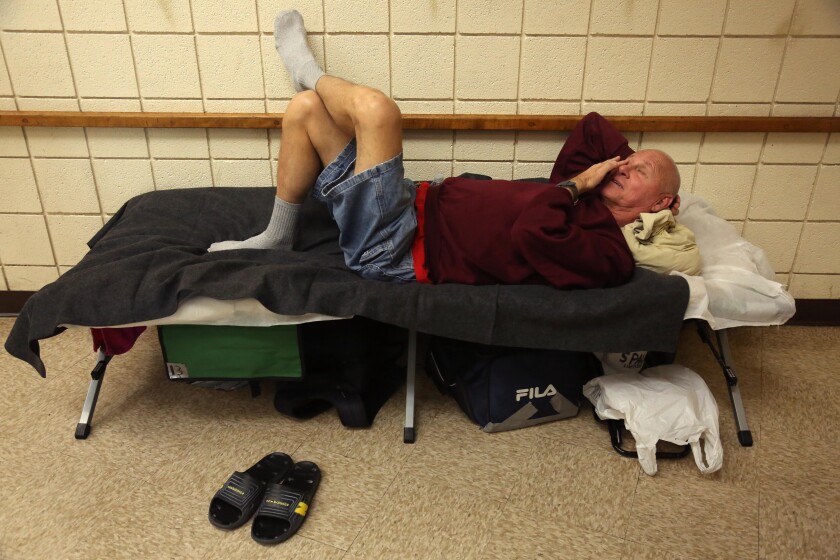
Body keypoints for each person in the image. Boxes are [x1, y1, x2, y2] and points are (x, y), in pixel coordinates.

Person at [209, 9, 681, 290]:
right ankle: (278, 235)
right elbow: (593, 127)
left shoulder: (609, 251)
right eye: (630, 158)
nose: (625, 166)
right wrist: (610, 171)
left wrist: (577, 186)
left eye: (641, 172)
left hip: (395, 249)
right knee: (305, 109)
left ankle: (304, 67)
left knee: (377, 111)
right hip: (411, 205)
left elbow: (535, 233)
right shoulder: (592, 187)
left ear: (660, 202)